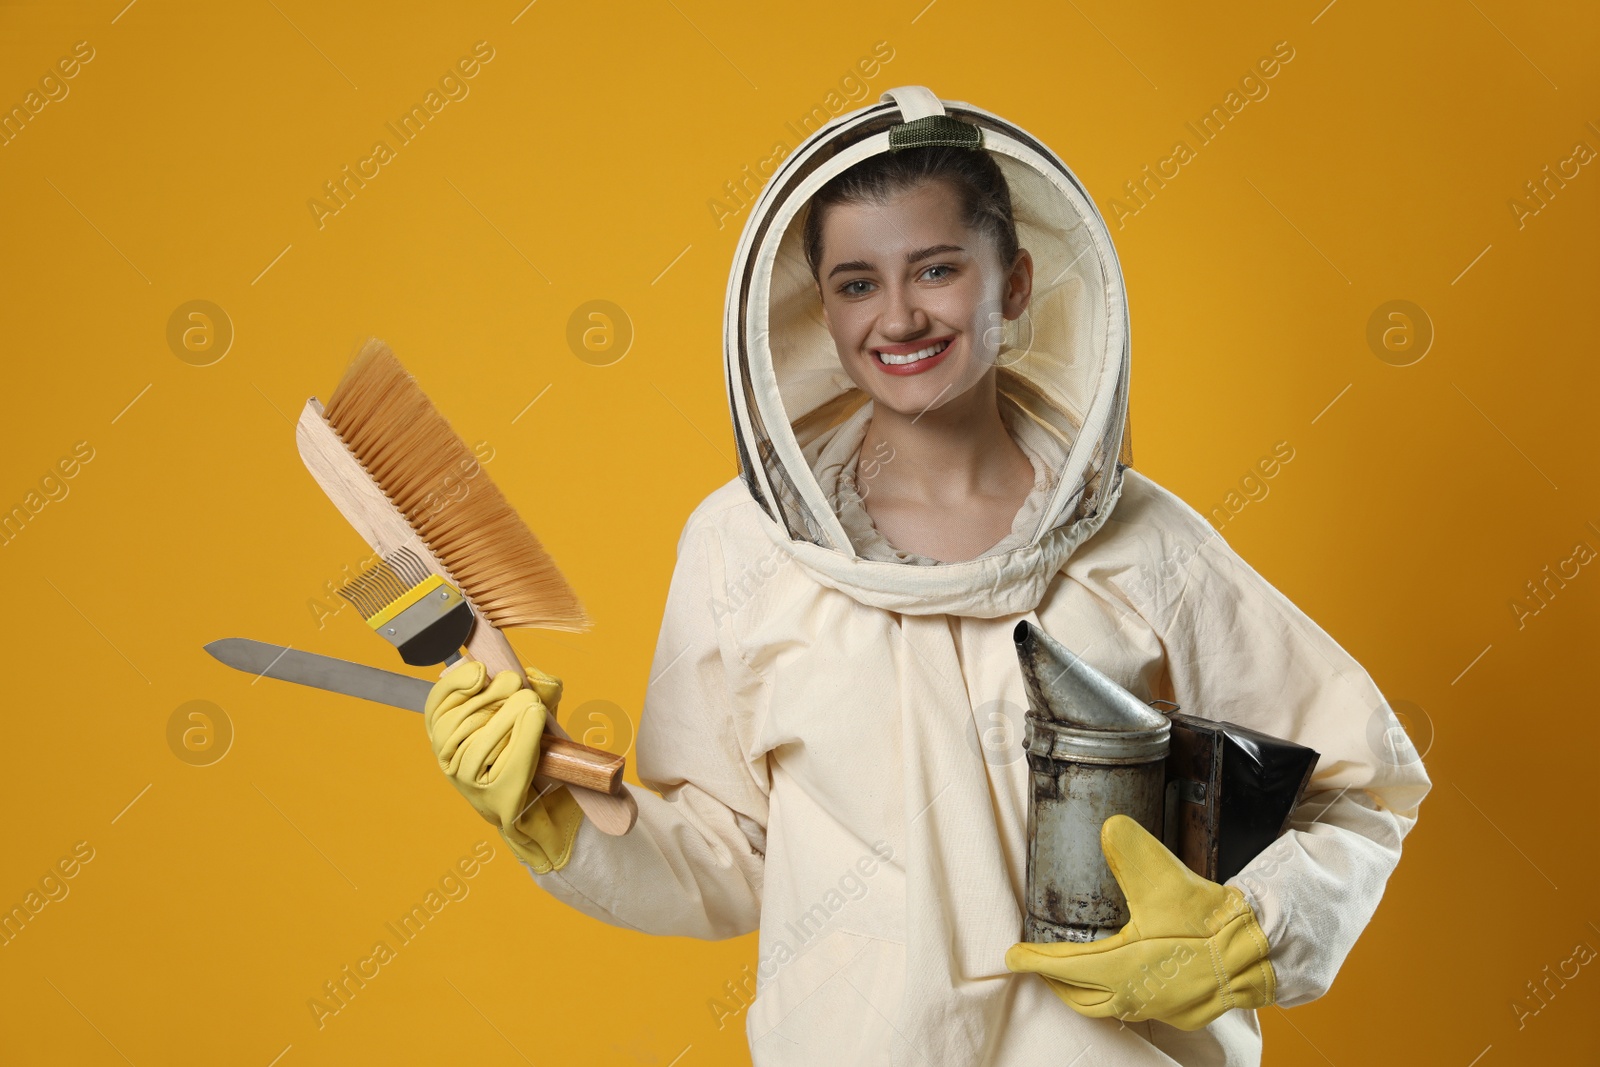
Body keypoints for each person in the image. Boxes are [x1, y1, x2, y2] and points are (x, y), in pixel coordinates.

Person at [420, 86, 1431, 1066]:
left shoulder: (1146, 546)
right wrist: (550, 806)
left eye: (936, 269)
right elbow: (726, 861)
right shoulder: (742, 547)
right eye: (857, 282)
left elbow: (1358, 793)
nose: (897, 317)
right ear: (822, 307)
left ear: (1017, 284)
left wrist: (1248, 927)